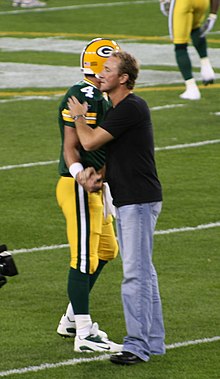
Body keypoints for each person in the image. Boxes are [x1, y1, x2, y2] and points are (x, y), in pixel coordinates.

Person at [67, 50, 166, 365]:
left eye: (107, 69)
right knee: (144, 273)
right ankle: (153, 342)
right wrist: (100, 175)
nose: (100, 73)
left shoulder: (130, 107)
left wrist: (79, 116)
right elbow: (124, 155)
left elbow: (90, 142)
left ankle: (137, 345)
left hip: (137, 200)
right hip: (131, 197)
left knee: (135, 275)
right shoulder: (122, 108)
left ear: (123, 78)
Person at [56, 38, 123, 353]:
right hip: (80, 185)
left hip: (98, 186)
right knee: (83, 257)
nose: (116, 68)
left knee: (108, 250)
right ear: (100, 65)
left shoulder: (102, 96)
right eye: (111, 63)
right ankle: (84, 332)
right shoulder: (84, 95)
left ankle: (71, 317)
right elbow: (71, 144)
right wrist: (79, 173)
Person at [159, 0, 220, 100]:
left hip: (183, 3)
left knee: (180, 45)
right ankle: (207, 69)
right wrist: (213, 15)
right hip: (202, 2)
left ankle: (191, 88)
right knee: (195, 28)